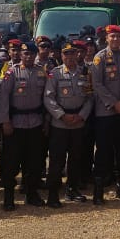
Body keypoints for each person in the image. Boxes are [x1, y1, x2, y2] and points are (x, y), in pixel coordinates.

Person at [89, 25, 120, 204]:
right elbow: (97, 85)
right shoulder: (99, 58)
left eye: (118, 36)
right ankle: (99, 190)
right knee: (103, 152)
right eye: (112, 36)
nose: (115, 39)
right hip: (106, 113)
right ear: (106, 39)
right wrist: (114, 103)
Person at [0, 40, 48, 210]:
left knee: (33, 161)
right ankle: (9, 197)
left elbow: (45, 99)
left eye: (31, 54)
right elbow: (3, 98)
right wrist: (5, 121)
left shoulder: (41, 73)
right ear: (20, 54)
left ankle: (31, 193)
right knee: (11, 162)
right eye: (25, 53)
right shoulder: (12, 73)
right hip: (15, 124)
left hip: (35, 122)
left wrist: (45, 122)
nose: (28, 56)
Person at [43, 41, 93, 207]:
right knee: (57, 160)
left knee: (75, 159)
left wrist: (82, 116)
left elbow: (89, 97)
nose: (70, 57)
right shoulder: (55, 74)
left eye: (73, 53)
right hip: (60, 124)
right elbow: (48, 98)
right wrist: (62, 115)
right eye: (66, 54)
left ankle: (72, 189)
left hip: (78, 122)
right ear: (61, 56)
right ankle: (52, 193)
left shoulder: (84, 73)